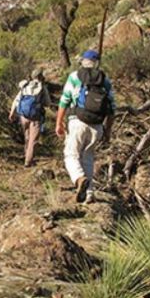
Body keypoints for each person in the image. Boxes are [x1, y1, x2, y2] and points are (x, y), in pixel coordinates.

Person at [55, 50, 116, 203]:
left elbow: (64, 101)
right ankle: (89, 194)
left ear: (83, 61)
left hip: (77, 121)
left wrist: (59, 122)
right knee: (88, 158)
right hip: (97, 126)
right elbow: (112, 109)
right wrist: (107, 131)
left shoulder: (75, 77)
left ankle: (79, 179)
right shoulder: (105, 81)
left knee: (71, 155)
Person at [9, 68, 52, 167]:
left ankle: (26, 156)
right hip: (35, 117)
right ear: (41, 77)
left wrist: (12, 112)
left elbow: (17, 100)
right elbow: (48, 103)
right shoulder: (42, 87)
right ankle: (28, 161)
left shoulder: (25, 85)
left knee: (27, 137)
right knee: (33, 140)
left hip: (24, 116)